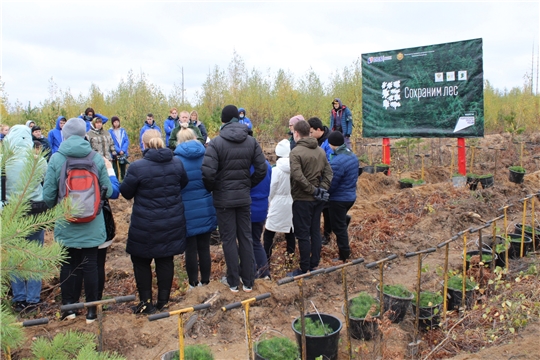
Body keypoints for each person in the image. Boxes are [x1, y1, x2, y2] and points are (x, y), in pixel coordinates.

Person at [43, 118, 114, 324]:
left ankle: (70, 309)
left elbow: (48, 197)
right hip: (93, 222)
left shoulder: (57, 159)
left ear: (64, 135)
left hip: (66, 223)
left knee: (68, 265)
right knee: (91, 264)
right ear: (84, 134)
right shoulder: (96, 158)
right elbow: (107, 190)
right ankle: (92, 313)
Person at [120, 129, 189, 314]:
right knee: (165, 259)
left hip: (145, 223)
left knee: (141, 261)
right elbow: (183, 183)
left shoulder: (137, 167)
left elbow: (126, 193)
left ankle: (146, 303)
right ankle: (163, 302)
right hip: (170, 221)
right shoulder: (177, 163)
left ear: (144, 144)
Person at [202, 105, 267, 293]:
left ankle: (233, 282)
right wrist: (247, 185)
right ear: (237, 119)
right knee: (246, 238)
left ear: (223, 121)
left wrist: (214, 189)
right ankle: (248, 281)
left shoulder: (215, 143)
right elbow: (262, 169)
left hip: (223, 200)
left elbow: (207, 173)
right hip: (243, 198)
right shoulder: (251, 141)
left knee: (229, 239)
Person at [3, 125, 48, 313]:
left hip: (13, 212)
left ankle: (19, 298)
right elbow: (44, 181)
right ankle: (33, 299)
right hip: (36, 211)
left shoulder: (4, 160)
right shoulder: (38, 160)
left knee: (14, 255)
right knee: (35, 254)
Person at [173, 124, 217, 288]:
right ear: (193, 138)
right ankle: (206, 282)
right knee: (204, 247)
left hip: (186, 209)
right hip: (205, 205)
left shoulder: (176, 160)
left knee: (190, 249)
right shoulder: (205, 156)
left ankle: (193, 283)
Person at [287, 120, 332, 276]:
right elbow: (329, 173)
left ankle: (304, 268)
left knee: (303, 234)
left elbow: (297, 176)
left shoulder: (296, 152)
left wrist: (314, 190)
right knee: (315, 231)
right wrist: (322, 189)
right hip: (317, 199)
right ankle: (314, 264)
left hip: (303, 198)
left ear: (297, 133)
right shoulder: (320, 151)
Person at [326, 131, 358, 262]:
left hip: (339, 199)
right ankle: (344, 219)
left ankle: (344, 255)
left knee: (338, 228)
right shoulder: (352, 155)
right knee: (338, 221)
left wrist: (324, 194)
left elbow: (332, 184)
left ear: (331, 144)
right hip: (350, 196)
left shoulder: (337, 162)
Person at [263, 139, 296, 260]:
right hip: (291, 202)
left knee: (269, 233)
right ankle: (290, 258)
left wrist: (269, 201)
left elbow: (271, 188)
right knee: (290, 232)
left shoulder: (275, 170)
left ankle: (266, 260)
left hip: (277, 202)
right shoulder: (296, 167)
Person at [250, 159, 272, 280]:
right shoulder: (267, 165)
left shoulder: (246, 166)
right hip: (262, 207)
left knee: (246, 243)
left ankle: (251, 273)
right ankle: (265, 273)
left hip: (248, 208)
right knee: (256, 241)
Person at [108, 116, 130, 181]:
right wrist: (118, 150)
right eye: (115, 122)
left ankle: (124, 181)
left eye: (117, 122)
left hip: (123, 153)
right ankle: (117, 182)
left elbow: (126, 140)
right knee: (116, 170)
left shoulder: (123, 130)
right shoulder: (110, 132)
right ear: (112, 123)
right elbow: (111, 142)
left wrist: (123, 150)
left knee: (123, 168)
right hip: (115, 153)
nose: (116, 123)